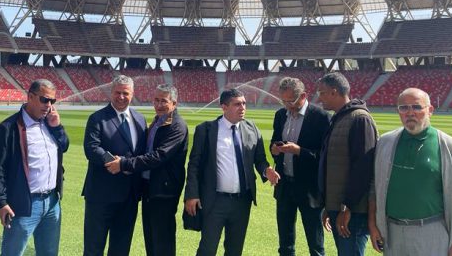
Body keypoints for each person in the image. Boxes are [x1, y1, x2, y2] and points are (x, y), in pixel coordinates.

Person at [368, 88, 452, 255]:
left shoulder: (450, 146)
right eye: (404, 108)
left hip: (431, 231)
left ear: (430, 110)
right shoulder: (385, 143)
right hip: (393, 233)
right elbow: (374, 187)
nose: (410, 113)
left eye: (417, 107)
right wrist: (373, 225)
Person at [184, 88, 280, 256]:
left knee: (235, 250)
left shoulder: (252, 128)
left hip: (242, 202)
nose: (242, 107)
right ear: (224, 107)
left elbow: (260, 160)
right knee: (207, 249)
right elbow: (194, 165)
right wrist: (191, 194)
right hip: (214, 200)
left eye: (244, 103)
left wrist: (267, 170)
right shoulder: (206, 130)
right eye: (237, 104)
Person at [104, 84, 189, 256]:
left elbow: (159, 156)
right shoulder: (158, 121)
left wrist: (125, 164)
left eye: (163, 101)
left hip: (164, 192)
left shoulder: (177, 126)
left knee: (162, 242)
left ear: (174, 103)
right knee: (151, 239)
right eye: (156, 100)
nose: (159, 104)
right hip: (150, 189)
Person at [0, 79, 69, 256]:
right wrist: (1, 202)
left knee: (49, 253)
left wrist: (57, 127)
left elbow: (64, 146)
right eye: (44, 99)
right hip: (23, 204)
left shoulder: (50, 123)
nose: (48, 105)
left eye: (52, 101)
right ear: (30, 97)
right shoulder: (8, 128)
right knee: (12, 253)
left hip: (51, 202)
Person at [82, 75, 147, 256]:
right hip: (101, 196)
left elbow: (141, 154)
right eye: (117, 92)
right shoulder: (97, 118)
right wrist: (114, 163)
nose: (121, 97)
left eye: (125, 93)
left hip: (129, 198)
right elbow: (91, 148)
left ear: (132, 94)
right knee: (94, 248)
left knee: (121, 248)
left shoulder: (140, 119)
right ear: (111, 92)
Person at [316, 72, 378, 256]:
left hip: (352, 212)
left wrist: (347, 206)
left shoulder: (359, 119)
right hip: (338, 207)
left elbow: (363, 168)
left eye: (322, 93)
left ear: (334, 92)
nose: (319, 98)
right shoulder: (340, 118)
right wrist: (330, 205)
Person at [270, 77, 331, 256]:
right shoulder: (280, 115)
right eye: (284, 100)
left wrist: (299, 151)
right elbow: (274, 141)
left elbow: (325, 156)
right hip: (285, 187)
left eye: (291, 100)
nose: (287, 105)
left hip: (309, 189)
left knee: (316, 244)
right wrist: (274, 149)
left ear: (303, 96)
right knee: (285, 244)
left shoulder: (321, 117)